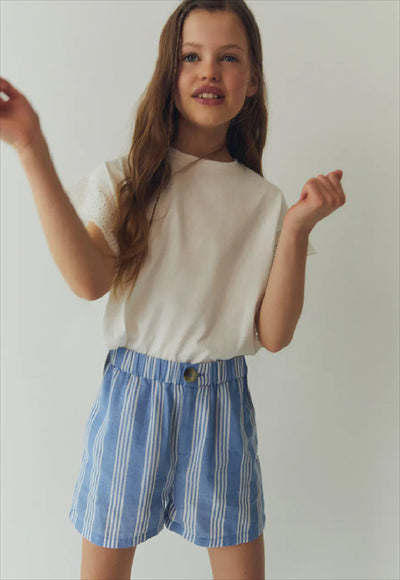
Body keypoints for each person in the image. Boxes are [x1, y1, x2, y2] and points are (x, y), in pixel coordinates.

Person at [0, 0, 346, 578]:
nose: (209, 70)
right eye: (191, 57)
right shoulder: (127, 181)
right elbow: (88, 280)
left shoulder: (265, 203)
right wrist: (31, 147)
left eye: (228, 58)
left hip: (222, 408)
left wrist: (296, 230)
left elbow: (274, 334)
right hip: (131, 403)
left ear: (252, 81)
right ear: (169, 72)